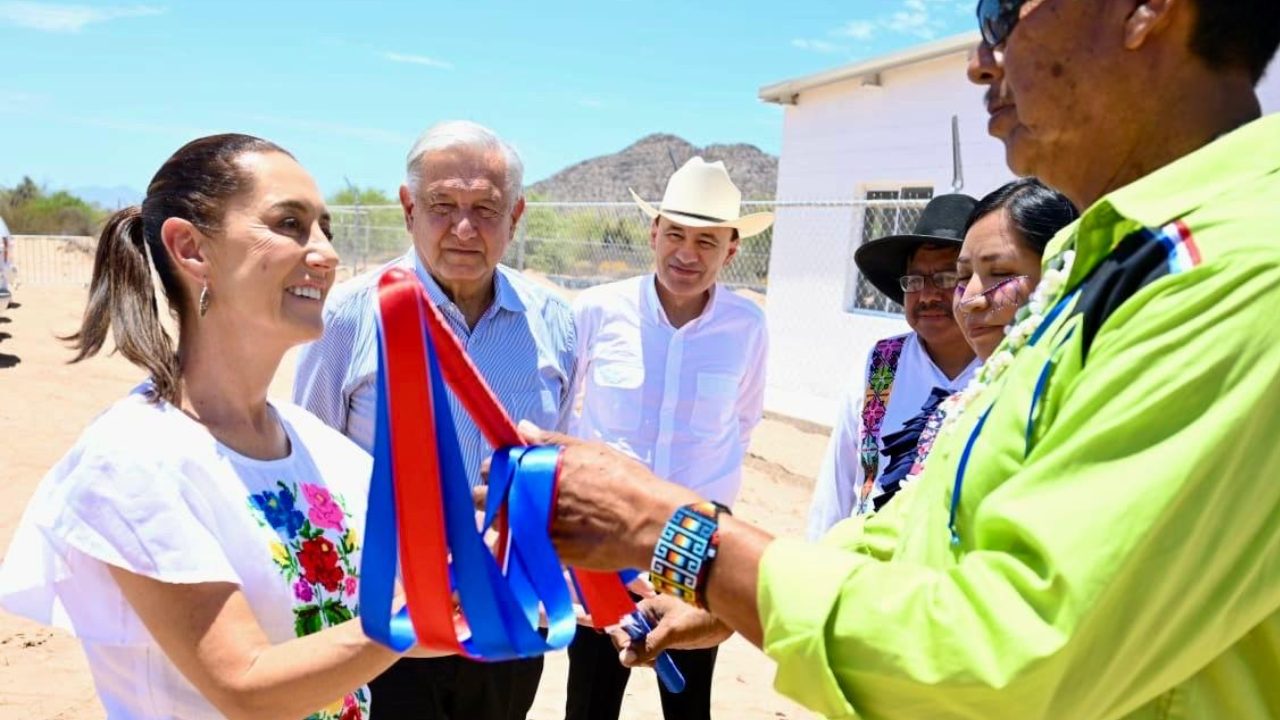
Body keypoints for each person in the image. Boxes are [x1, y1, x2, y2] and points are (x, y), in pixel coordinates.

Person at [504, 2, 1280, 718]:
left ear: (1143, 10)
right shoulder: (1108, 261)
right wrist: (731, 585)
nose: (982, 59)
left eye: (1002, 11)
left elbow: (1008, 659)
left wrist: (666, 527)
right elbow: (923, 524)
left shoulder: (1232, 272)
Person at [0, 134, 446, 719]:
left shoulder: (317, 446)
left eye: (325, 230)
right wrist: (432, 602)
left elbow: (369, 623)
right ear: (191, 249)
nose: (326, 254)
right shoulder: (136, 458)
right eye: (290, 223)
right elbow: (245, 686)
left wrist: (531, 566)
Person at [294, 120, 572, 720]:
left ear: (517, 215)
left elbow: (558, 470)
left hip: (507, 624)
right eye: (443, 205)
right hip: (384, 630)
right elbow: (306, 468)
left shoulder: (554, 322)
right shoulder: (347, 318)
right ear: (407, 207)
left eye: (486, 208)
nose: (464, 228)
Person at [563, 157, 772, 720]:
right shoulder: (598, 311)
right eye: (675, 233)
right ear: (653, 233)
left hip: (697, 539)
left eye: (707, 241)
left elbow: (743, 421)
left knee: (687, 703)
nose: (687, 253)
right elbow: (564, 416)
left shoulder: (747, 327)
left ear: (732, 250)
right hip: (604, 531)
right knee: (589, 697)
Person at [806, 194, 979, 537]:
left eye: (945, 279)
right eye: (914, 281)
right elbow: (838, 480)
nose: (927, 295)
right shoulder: (880, 364)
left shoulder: (1006, 368)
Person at [953, 178, 1077, 361]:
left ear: (1064, 269)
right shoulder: (894, 355)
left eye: (999, 272)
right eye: (963, 276)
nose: (967, 300)